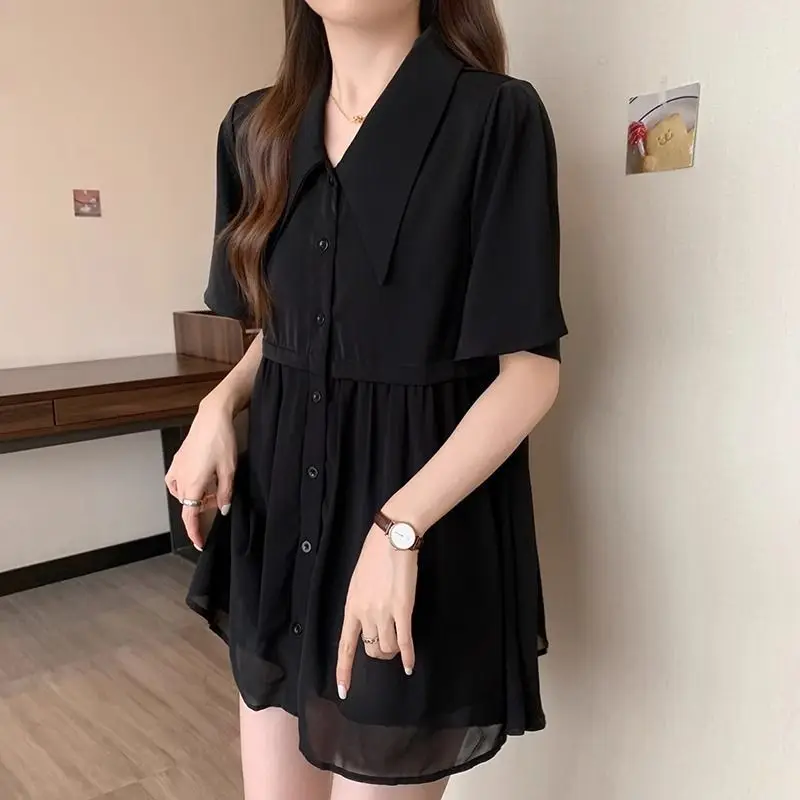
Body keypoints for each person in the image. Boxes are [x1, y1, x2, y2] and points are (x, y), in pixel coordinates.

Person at [165, 0, 567, 797]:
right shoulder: (254, 129)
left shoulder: (494, 118)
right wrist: (221, 402)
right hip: (281, 526)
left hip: (412, 533)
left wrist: (400, 529)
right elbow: (297, 328)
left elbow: (530, 374)